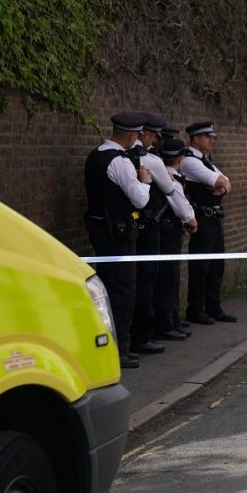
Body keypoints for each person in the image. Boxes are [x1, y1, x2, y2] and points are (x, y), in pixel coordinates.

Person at [84, 112, 151, 369]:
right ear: (133, 135)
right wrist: (144, 181)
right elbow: (140, 200)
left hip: (100, 231)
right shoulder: (120, 162)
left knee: (108, 290)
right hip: (119, 235)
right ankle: (118, 350)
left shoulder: (96, 155)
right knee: (123, 292)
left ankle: (108, 345)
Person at [129, 113, 193, 354]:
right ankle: (144, 335)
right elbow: (167, 187)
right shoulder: (151, 160)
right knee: (149, 281)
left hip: (131, 226)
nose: (158, 140)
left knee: (136, 283)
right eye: (155, 135)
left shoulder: (125, 156)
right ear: (144, 133)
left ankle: (142, 332)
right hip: (151, 227)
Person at [182, 121, 235, 324]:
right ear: (195, 139)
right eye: (207, 137)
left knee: (216, 265)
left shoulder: (205, 160)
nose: (211, 140)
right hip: (201, 219)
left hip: (213, 217)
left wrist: (224, 187)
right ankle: (196, 309)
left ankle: (213, 307)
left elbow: (226, 181)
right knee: (200, 266)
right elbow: (220, 182)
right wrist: (222, 186)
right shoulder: (190, 161)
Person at [153, 138, 197, 341]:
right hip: (169, 234)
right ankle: (166, 325)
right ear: (181, 159)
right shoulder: (171, 179)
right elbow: (182, 207)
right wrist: (191, 221)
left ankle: (173, 321)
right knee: (168, 280)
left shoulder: (169, 175)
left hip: (168, 233)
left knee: (170, 279)